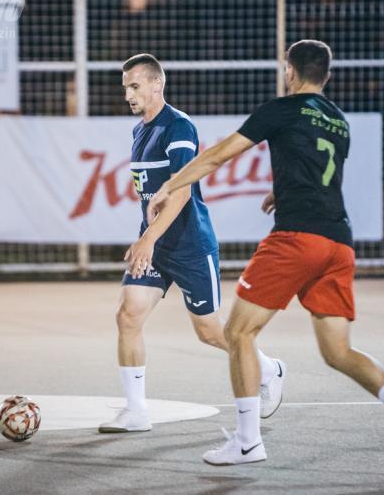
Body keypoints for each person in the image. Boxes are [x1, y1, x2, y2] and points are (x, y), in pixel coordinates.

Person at [147, 40, 384, 472]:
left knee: (240, 333)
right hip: (338, 243)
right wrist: (278, 191)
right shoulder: (339, 122)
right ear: (328, 75)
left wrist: (171, 185)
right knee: (338, 353)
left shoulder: (282, 109)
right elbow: (319, 172)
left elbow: (218, 156)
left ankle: (248, 442)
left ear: (290, 71)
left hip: (297, 239)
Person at [98, 53, 286, 433]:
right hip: (156, 247)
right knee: (128, 314)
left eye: (135, 86)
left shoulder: (178, 127)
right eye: (125, 88)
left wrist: (148, 238)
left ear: (156, 84)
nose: (129, 95)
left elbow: (180, 193)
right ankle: (136, 411)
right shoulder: (139, 131)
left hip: (190, 245)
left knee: (209, 332)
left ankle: (268, 368)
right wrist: (149, 238)